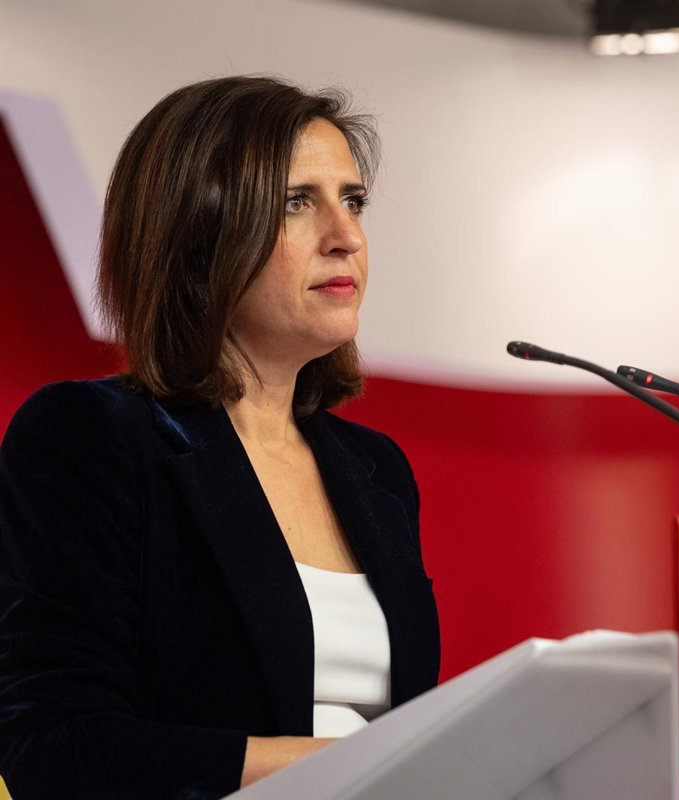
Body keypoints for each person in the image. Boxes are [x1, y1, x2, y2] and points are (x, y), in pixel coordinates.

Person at [0, 76, 440, 799]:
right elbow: (54, 746)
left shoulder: (376, 469)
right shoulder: (90, 437)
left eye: (353, 200)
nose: (348, 237)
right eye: (297, 202)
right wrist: (341, 767)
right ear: (198, 232)